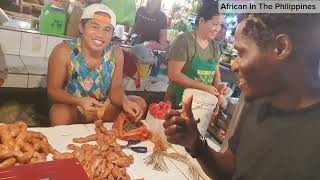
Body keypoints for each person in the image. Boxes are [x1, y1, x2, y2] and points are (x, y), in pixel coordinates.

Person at [164, 13, 320, 180]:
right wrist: (196, 144)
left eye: (242, 53)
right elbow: (230, 170)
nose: (233, 65)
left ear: (281, 48)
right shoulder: (258, 106)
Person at [47, 4, 146, 126]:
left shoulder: (116, 53)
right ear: (81, 27)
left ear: (112, 34)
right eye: (95, 26)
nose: (100, 34)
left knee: (139, 103)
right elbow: (53, 91)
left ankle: (119, 136)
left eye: (107, 29)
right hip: (75, 107)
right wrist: (80, 101)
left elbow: (115, 89)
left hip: (103, 109)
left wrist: (124, 101)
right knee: (58, 113)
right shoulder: (64, 51)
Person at [165, 0, 227, 108]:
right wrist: (203, 87)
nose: (218, 29)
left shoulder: (215, 47)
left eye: (220, 25)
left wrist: (218, 86)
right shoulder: (184, 41)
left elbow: (216, 74)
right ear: (202, 21)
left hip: (201, 107)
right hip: (177, 105)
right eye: (215, 24)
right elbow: (174, 75)